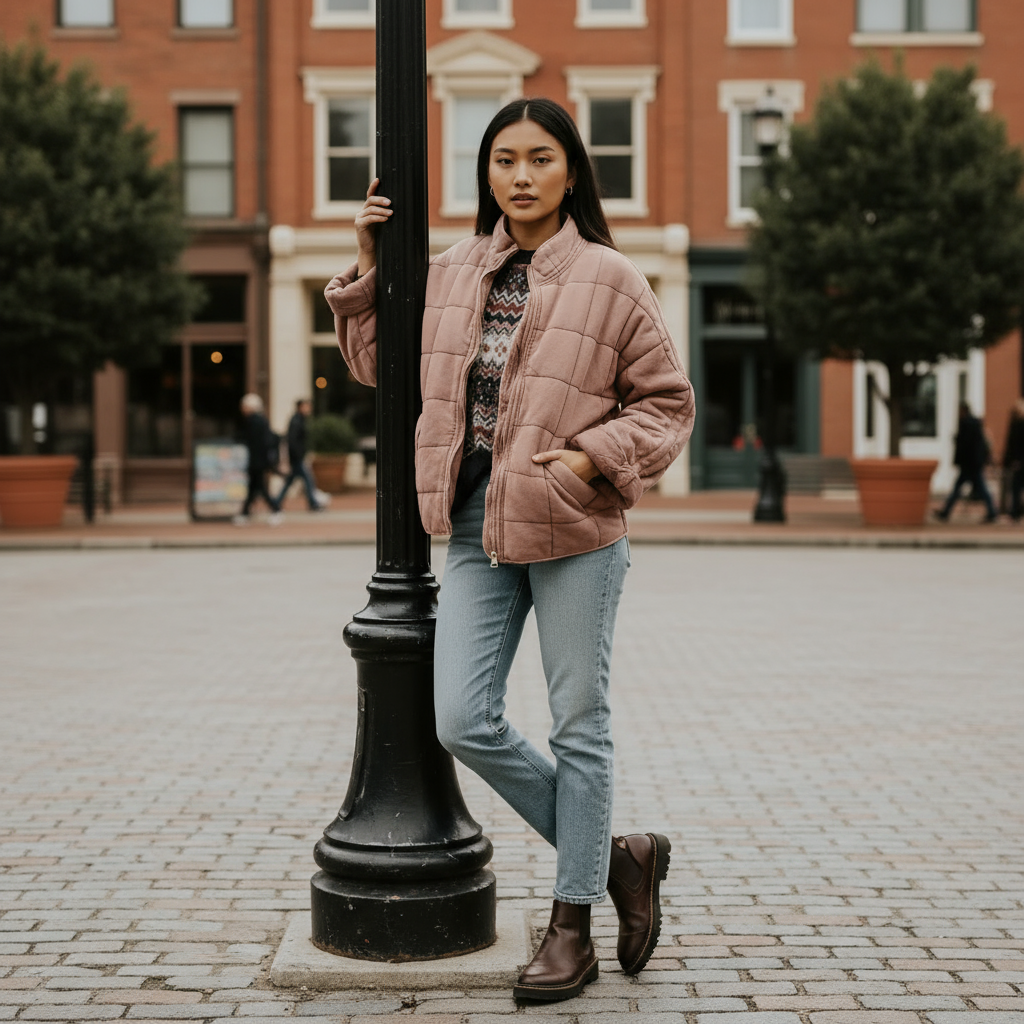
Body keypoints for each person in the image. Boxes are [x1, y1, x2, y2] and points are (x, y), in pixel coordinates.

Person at [326, 97, 694, 1003]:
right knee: (462, 719)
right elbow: (381, 371)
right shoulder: (450, 270)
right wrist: (369, 272)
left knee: (580, 722)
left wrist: (588, 457)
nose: (520, 176)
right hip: (475, 524)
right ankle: (616, 857)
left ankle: (573, 923)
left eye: (538, 159)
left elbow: (667, 403)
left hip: (573, 523)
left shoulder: (611, 276)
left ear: (570, 169)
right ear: (484, 173)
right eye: (502, 161)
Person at [936, 401, 996, 523]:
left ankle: (946, 512)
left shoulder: (966, 424)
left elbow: (966, 445)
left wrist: (957, 443)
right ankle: (991, 511)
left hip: (969, 464)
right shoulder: (975, 424)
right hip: (973, 463)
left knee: (966, 488)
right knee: (975, 488)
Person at [235, 393, 282, 525]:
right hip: (259, 460)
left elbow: (253, 442)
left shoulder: (253, 421)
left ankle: (275, 509)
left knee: (259, 487)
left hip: (257, 460)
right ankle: (246, 513)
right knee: (254, 488)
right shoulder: (261, 420)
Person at [276, 399, 327, 511]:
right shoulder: (296, 421)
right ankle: (313, 504)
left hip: (297, 457)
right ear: (300, 407)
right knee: (308, 480)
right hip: (297, 458)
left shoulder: (300, 420)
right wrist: (297, 455)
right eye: (306, 406)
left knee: (290, 482)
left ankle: (276, 502)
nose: (309, 409)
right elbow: (293, 441)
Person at [1002, 398, 1024, 522]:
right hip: (1018, 461)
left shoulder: (1017, 425)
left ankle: (1015, 512)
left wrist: (1014, 460)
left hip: (1018, 462)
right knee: (1016, 487)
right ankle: (1015, 511)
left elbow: (1013, 445)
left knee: (1016, 487)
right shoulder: (1016, 424)